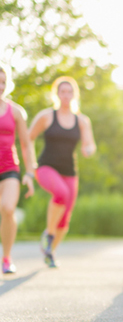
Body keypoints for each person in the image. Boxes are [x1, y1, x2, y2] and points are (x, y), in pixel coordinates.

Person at [29, 76, 96, 268]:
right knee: (61, 193)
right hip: (45, 167)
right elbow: (29, 138)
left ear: (74, 95)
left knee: (65, 220)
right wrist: (30, 164)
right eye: (62, 91)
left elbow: (89, 144)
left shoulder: (82, 120)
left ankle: (51, 251)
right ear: (57, 94)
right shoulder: (46, 116)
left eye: (69, 92)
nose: (66, 95)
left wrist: (89, 150)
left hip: (70, 172)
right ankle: (49, 235)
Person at [0, 66, 35, 274]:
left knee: (8, 208)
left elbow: (26, 144)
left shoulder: (16, 111)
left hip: (9, 168)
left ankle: (6, 257)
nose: (1, 86)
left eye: (3, 82)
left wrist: (30, 172)